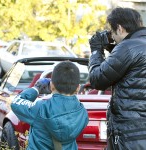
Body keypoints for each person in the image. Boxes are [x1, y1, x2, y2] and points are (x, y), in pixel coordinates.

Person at [88, 7, 146, 150]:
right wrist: (111, 48)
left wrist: (96, 50)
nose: (112, 37)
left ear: (119, 28)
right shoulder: (137, 45)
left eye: (112, 32)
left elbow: (97, 79)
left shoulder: (127, 47)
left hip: (130, 132)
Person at [11, 61, 89, 150]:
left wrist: (36, 89)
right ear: (78, 88)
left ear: (52, 85)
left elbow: (16, 103)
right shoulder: (82, 113)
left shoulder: (41, 108)